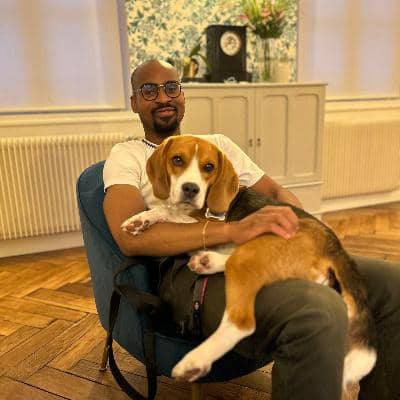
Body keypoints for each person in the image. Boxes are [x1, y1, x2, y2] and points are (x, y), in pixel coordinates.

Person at [103, 60, 400, 400]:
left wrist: (310, 234)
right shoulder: (127, 155)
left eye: (171, 87)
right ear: (134, 103)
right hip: (189, 270)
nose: (163, 97)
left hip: (268, 250)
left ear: (182, 96)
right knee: (316, 311)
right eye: (149, 90)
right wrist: (232, 231)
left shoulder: (218, 145)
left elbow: (276, 194)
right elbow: (129, 236)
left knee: (392, 284)